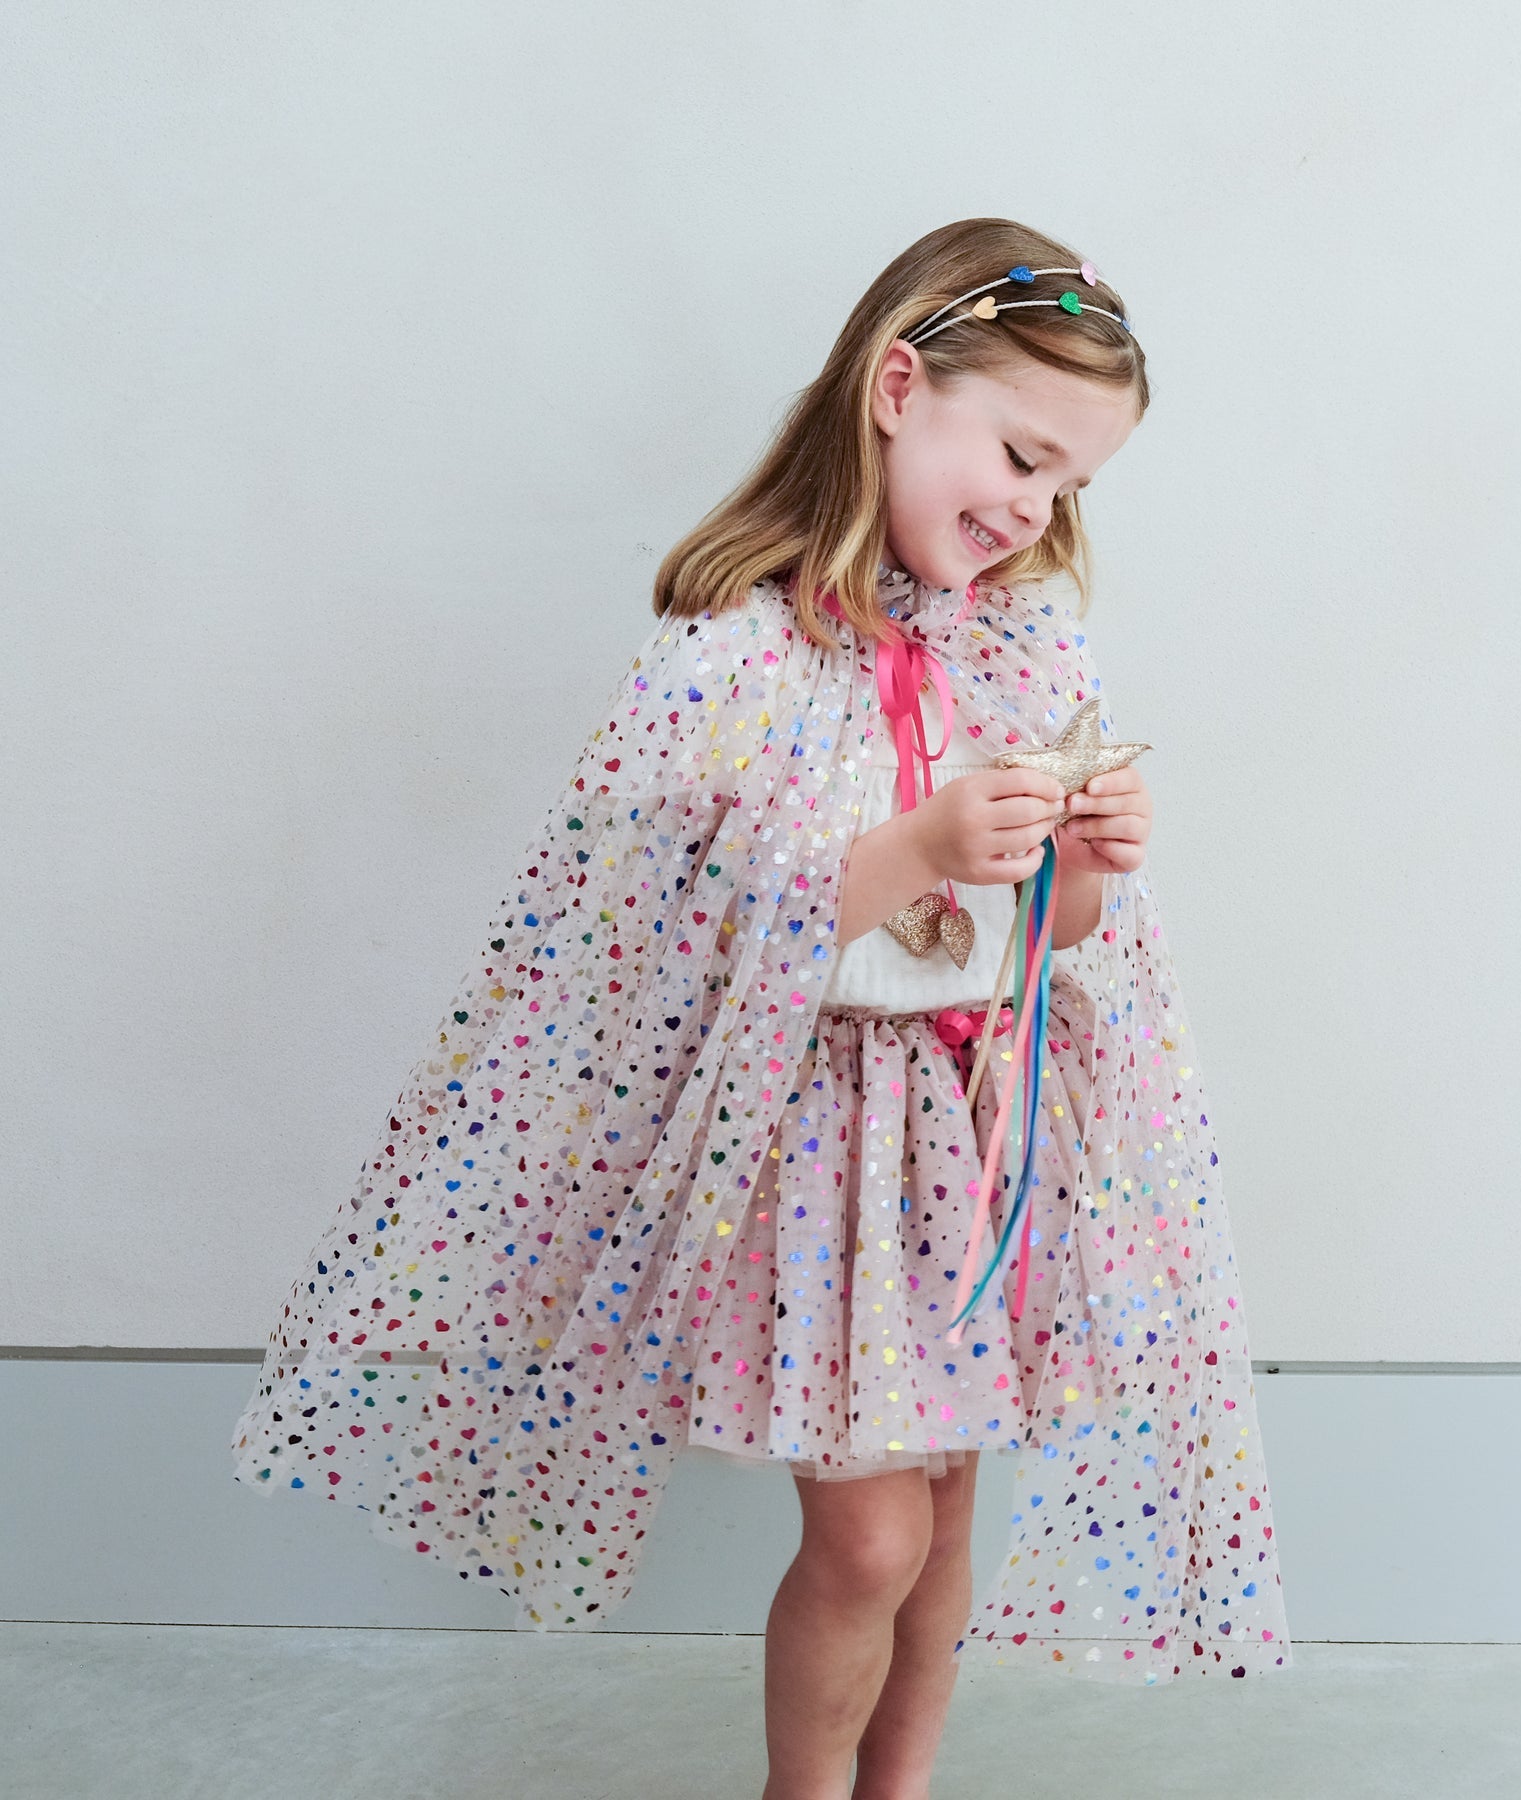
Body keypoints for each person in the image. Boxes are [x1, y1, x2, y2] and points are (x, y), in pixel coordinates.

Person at [231, 216, 1291, 1798]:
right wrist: (923, 844)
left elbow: (1043, 943)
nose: (1032, 507)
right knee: (868, 1537)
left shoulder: (1021, 648)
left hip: (972, 1138)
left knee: (943, 1520)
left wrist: (1084, 865)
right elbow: (681, 934)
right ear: (897, 387)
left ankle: (897, 1788)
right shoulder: (736, 653)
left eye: (1069, 484)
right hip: (823, 1152)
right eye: (1020, 453)